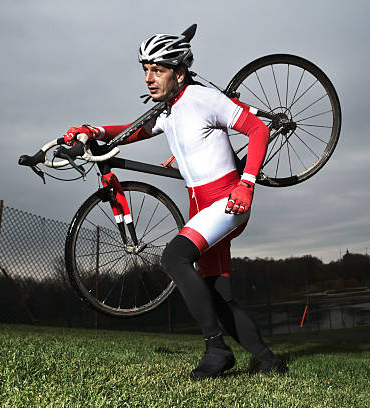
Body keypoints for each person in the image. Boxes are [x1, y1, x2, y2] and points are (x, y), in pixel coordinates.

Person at [62, 24, 286, 380]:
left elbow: (257, 130)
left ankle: (216, 349)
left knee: (173, 257)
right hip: (201, 205)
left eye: (158, 70)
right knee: (218, 293)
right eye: (145, 70)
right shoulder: (166, 110)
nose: (149, 78)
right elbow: (133, 131)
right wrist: (92, 131)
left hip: (229, 198)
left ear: (179, 72)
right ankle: (269, 361)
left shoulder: (203, 98)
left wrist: (247, 184)